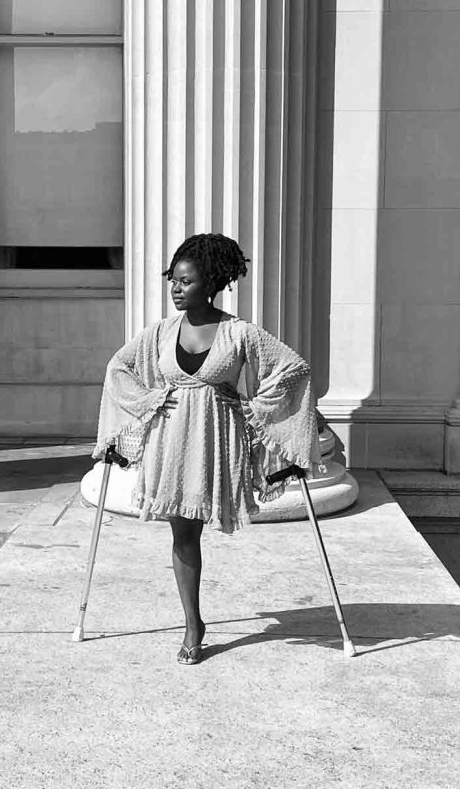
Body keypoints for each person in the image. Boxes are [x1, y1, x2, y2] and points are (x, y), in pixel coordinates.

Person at [94, 233, 321, 665]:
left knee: (200, 530)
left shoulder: (240, 333)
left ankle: (194, 622)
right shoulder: (160, 332)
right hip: (170, 439)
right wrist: (149, 400)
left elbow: (294, 368)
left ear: (210, 283)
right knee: (182, 534)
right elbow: (118, 367)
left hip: (217, 438)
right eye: (173, 281)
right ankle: (193, 624)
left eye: (186, 281)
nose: (176, 289)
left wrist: (255, 406)